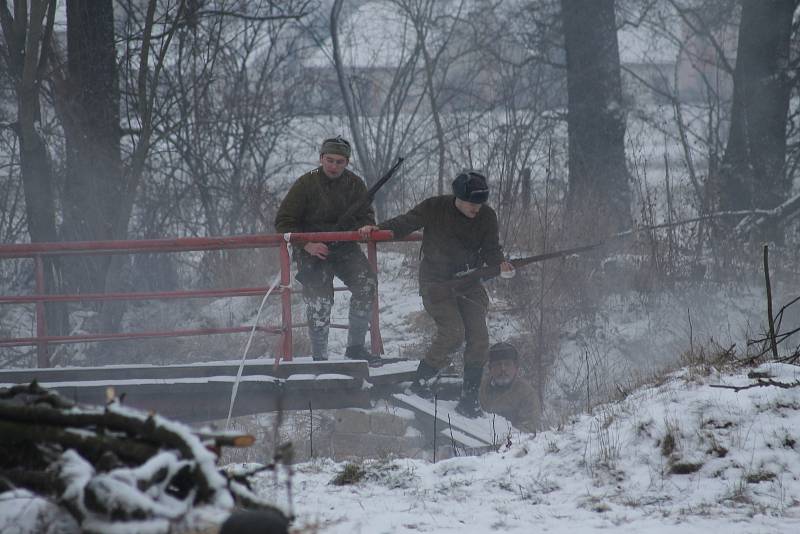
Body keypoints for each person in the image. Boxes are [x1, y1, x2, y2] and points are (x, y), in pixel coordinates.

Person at [358, 170, 514, 417]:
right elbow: (405, 222)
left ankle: (469, 399)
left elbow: (492, 250)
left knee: (480, 338)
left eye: (480, 203)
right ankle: (420, 383)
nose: (477, 208)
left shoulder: (487, 216)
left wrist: (502, 265)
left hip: (469, 282)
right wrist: (377, 228)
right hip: (436, 284)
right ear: (458, 197)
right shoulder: (435, 207)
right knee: (453, 332)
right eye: (472, 203)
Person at [275, 136, 379, 363]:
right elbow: (283, 222)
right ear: (321, 158)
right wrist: (307, 244)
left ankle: (355, 349)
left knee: (367, 285)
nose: (334, 166)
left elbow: (366, 215)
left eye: (339, 162)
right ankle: (320, 358)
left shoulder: (355, 184)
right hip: (313, 252)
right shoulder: (305, 184)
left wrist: (366, 226)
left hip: (345, 249)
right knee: (319, 301)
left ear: (347, 162)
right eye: (329, 160)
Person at [479, 342, 541, 432]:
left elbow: (527, 429)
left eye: (507, 364)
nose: (503, 368)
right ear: (490, 368)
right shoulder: (480, 390)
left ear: (516, 368)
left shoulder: (527, 394)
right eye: (498, 364)